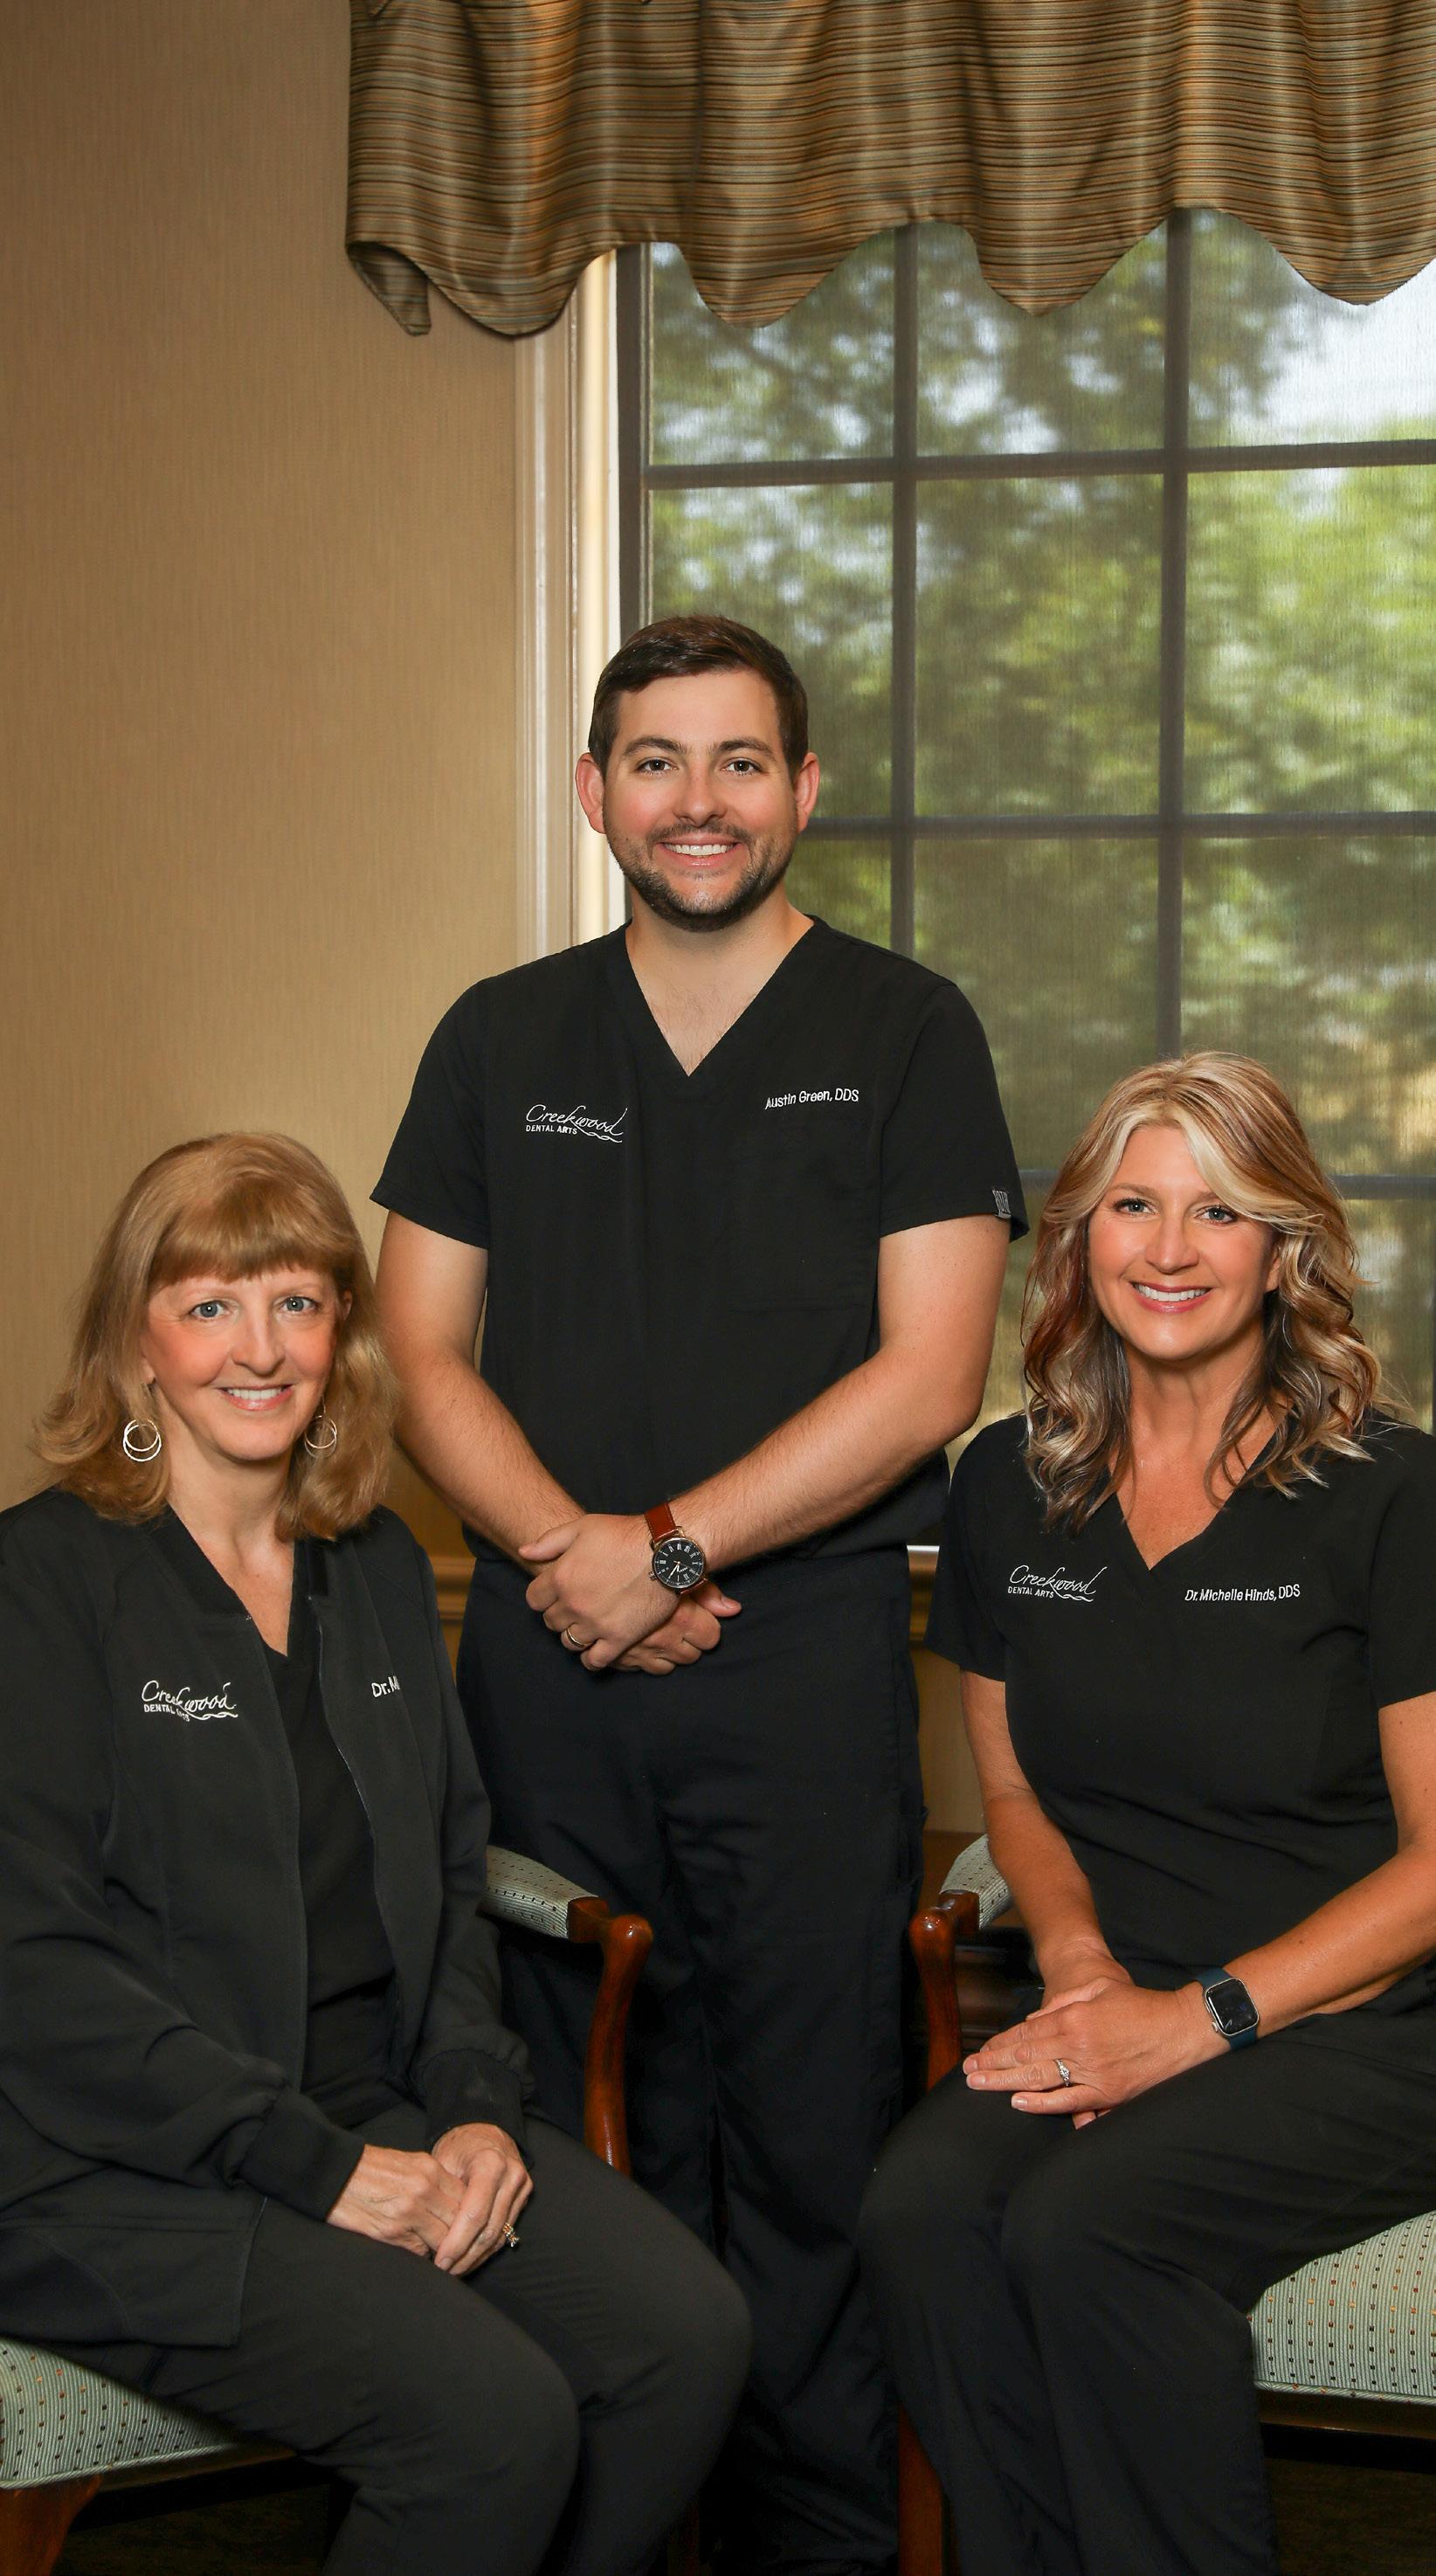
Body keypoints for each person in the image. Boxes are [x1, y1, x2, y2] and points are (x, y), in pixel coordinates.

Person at [372, 613, 1025, 2574]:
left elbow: (933, 1371)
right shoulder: (501, 1035)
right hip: (545, 1661)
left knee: (812, 2131)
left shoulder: (908, 1028)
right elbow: (419, 1351)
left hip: (801, 1658)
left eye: (741, 760)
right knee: (565, 2121)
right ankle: (599, 2529)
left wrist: (662, 1550)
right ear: (595, 792)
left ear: (803, 789)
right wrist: (572, 1558)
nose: (699, 801)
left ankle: (819, 2543)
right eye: (656, 761)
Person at [0, 1132, 748, 2576]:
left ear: (342, 1328)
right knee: (493, 2421)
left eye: (297, 1299)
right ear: (137, 1341)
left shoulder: (379, 1566)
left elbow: (453, 1879)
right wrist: (315, 2167)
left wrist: (472, 2108)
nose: (259, 1348)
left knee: (686, 2339)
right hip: (114, 2164)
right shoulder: (42, 1580)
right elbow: (32, 1973)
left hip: (370, 2104)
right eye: (209, 1304)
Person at [858, 1052, 1436, 2576]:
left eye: (1218, 1210)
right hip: (1120, 1986)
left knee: (1092, 2224)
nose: (1170, 1247)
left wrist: (1193, 2025)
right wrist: (1083, 1974)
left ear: (1282, 1251)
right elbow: (1013, 1789)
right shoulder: (1006, 1483)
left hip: (1367, 2016)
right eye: (1133, 1204)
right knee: (919, 2209)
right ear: (1078, 1236)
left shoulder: (1395, 1493)